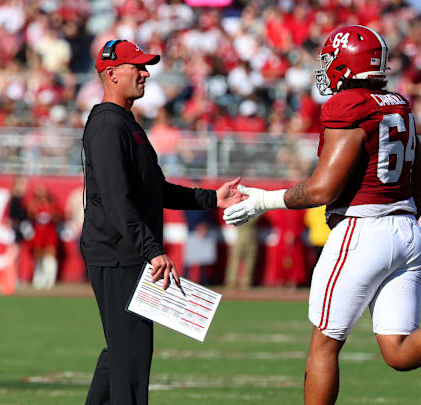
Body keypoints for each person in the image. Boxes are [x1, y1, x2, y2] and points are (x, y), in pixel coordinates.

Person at [223, 26, 421, 404]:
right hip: (409, 233)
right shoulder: (399, 103)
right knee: (396, 350)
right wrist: (396, 219)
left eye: (330, 59)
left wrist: (261, 201)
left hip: (362, 231)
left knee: (323, 345)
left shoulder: (348, 105)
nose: (326, 67)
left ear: (346, 62)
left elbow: (322, 190)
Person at [80, 39, 245, 405]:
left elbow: (155, 190)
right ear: (111, 74)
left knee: (121, 353)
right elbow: (115, 198)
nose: (145, 73)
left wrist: (211, 199)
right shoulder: (109, 126)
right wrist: (153, 250)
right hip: (118, 255)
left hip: (125, 253)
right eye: (136, 67)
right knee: (132, 359)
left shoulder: (124, 122)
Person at [28, 183, 62, 289]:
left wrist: (52, 214)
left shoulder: (52, 204)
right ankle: (38, 278)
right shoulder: (34, 204)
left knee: (49, 256)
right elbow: (30, 216)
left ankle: (50, 279)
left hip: (49, 233)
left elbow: (58, 216)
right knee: (38, 257)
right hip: (38, 234)